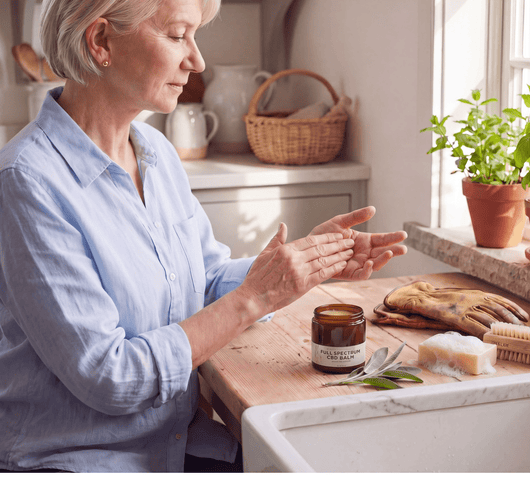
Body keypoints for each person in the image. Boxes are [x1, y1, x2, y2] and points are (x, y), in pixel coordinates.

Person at [0, 0, 408, 473]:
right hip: (84, 462)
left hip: (179, 444)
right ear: (101, 41)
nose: (197, 61)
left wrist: (302, 266)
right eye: (177, 35)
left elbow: (207, 279)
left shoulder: (155, 152)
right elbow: (110, 376)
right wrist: (255, 297)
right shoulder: (27, 181)